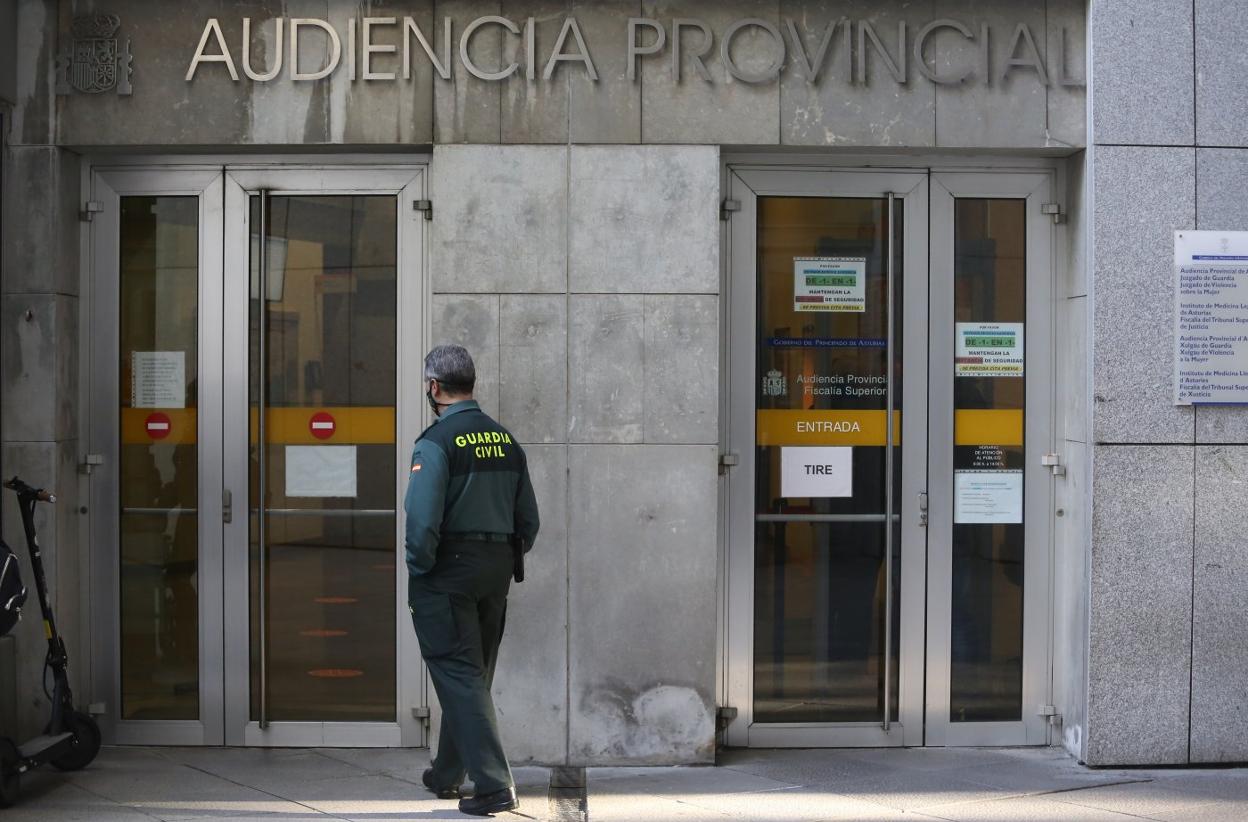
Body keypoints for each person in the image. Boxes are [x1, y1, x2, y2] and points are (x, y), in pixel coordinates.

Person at [405, 344, 540, 817]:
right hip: (496, 568)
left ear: (434, 387)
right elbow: (530, 521)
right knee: (472, 672)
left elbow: (421, 521)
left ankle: (494, 785)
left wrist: (420, 567)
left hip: (448, 570)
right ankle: (446, 773)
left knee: (457, 672)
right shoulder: (505, 440)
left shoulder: (436, 442)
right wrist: (502, 557)